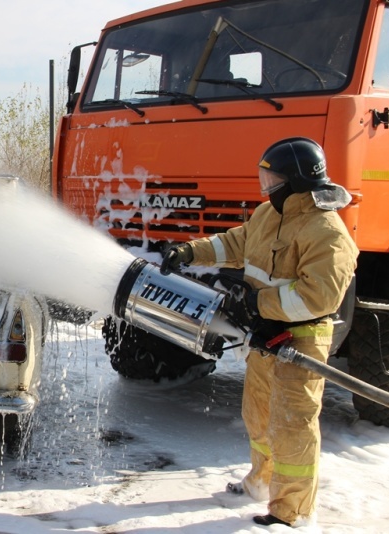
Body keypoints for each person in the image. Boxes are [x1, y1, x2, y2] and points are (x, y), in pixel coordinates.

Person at [160, 137, 359, 527]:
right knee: (259, 414)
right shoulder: (270, 215)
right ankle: (261, 482)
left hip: (300, 339)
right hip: (266, 337)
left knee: (292, 424)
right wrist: (188, 252)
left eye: (272, 179)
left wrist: (256, 305)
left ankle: (291, 511)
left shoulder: (328, 233)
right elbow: (235, 243)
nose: (265, 186)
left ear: (298, 181)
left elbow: (318, 296)